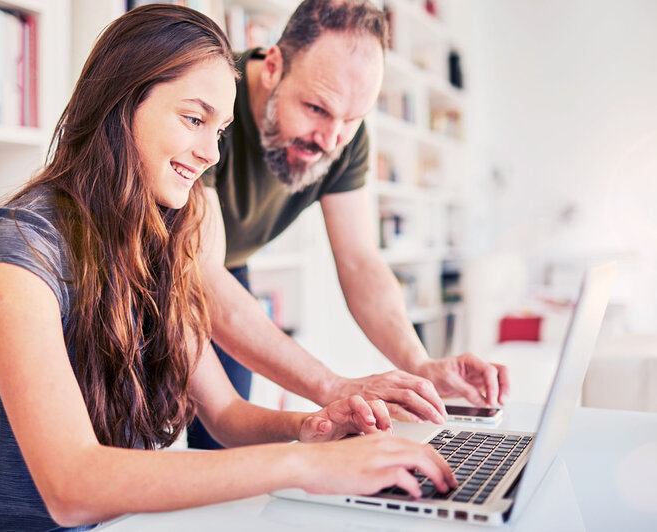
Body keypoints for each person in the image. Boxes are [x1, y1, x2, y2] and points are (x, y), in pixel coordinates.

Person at [0, 5, 455, 530]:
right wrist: (307, 464)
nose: (212, 152)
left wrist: (317, 428)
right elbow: (73, 487)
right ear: (122, 102)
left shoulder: (157, 245)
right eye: (194, 119)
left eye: (222, 129)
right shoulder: (21, 255)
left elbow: (227, 415)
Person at [190, 0, 510, 449]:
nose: (330, 140)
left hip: (230, 270)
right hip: (153, 268)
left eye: (352, 119)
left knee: (221, 447)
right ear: (274, 65)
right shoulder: (215, 100)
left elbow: (360, 261)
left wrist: (418, 363)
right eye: (316, 109)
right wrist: (332, 387)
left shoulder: (343, 136)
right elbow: (200, 277)